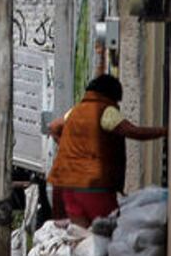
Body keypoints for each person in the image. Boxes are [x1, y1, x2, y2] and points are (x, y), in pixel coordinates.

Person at [48, 74, 168, 227]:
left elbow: (53, 127)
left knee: (82, 236)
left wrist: (67, 147)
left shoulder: (75, 111)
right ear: (112, 95)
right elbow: (133, 132)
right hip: (93, 187)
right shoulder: (105, 110)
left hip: (67, 188)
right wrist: (164, 131)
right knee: (108, 231)